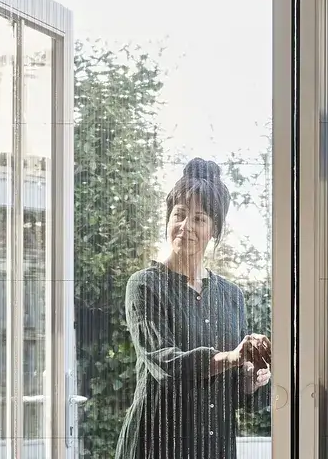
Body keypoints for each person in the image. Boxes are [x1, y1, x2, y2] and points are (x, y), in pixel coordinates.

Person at [116, 158, 272, 459]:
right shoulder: (144, 286)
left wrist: (250, 379)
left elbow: (233, 389)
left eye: (199, 219)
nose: (185, 226)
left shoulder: (232, 296)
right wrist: (231, 357)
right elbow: (167, 364)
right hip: (157, 445)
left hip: (214, 447)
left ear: (214, 230)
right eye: (179, 214)